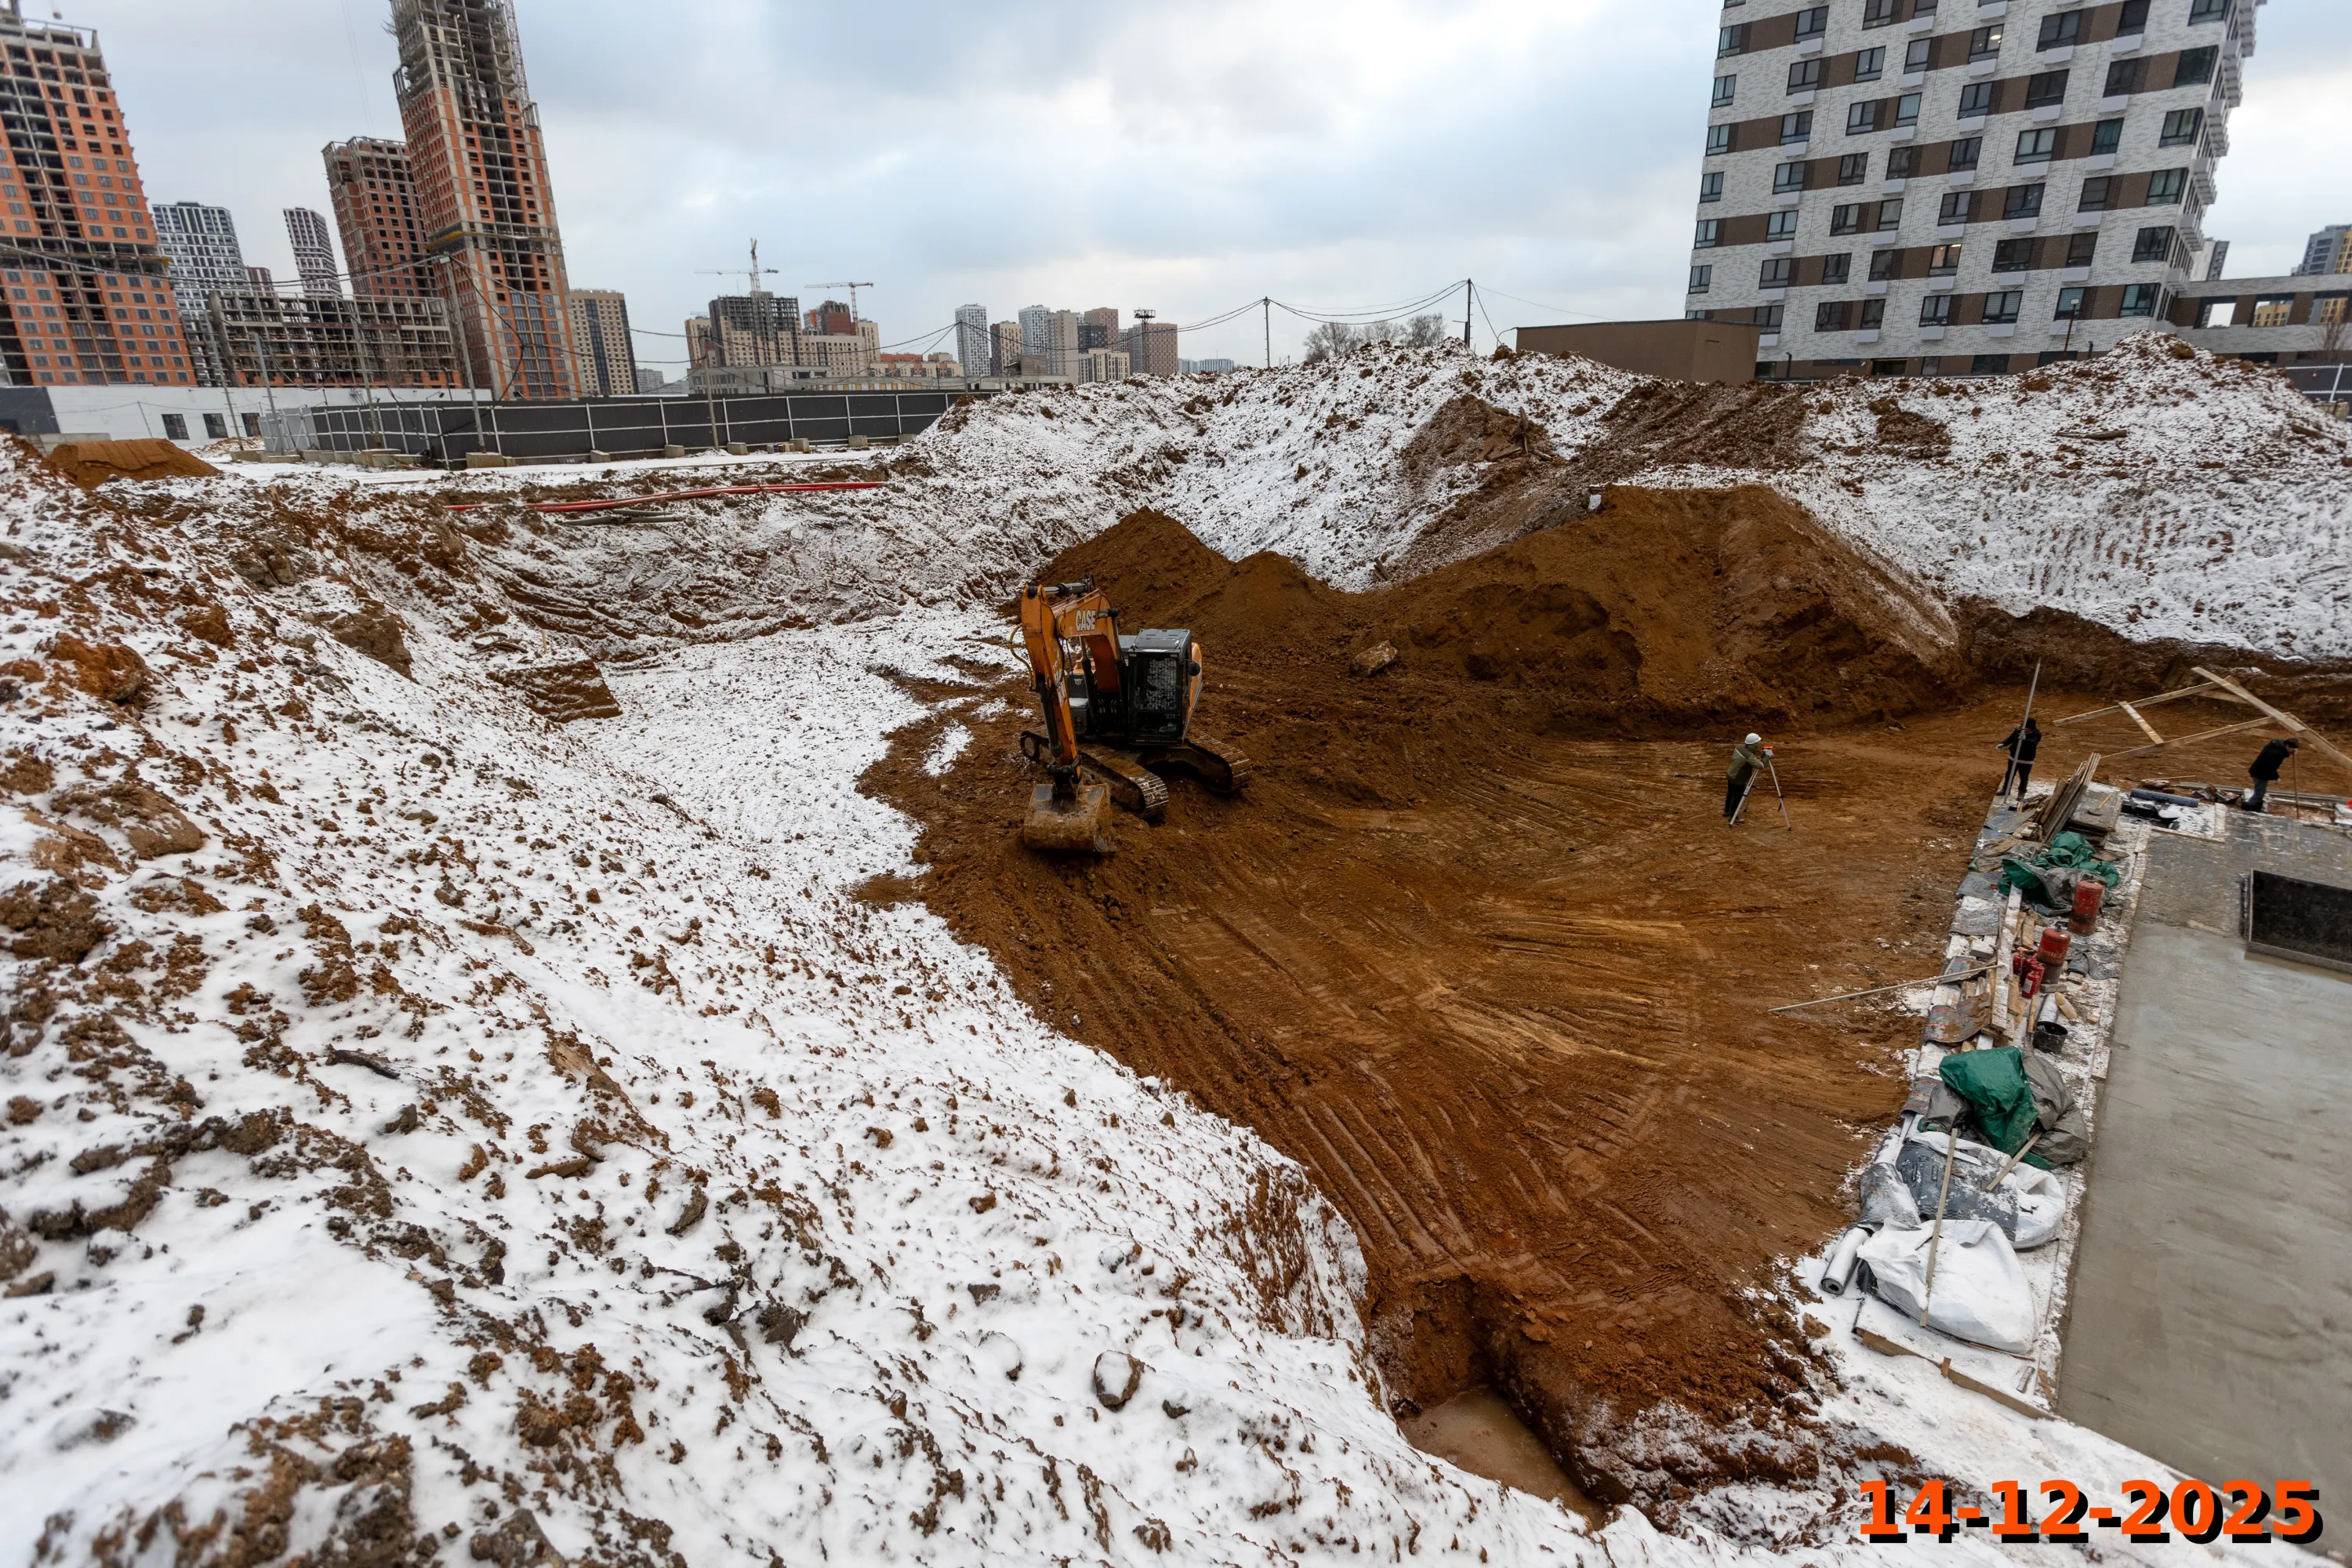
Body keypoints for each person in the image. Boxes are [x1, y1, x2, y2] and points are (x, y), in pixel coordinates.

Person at [1726, 732, 1770, 822]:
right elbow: (1760, 766)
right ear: (1753, 745)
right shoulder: (1749, 755)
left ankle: (1727, 811)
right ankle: (1733, 817)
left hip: (1730, 774)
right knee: (1737, 797)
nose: (1758, 745)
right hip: (1738, 779)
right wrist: (1766, 757)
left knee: (1730, 793)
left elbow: (1748, 757)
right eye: (1757, 744)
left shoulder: (1739, 747)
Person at [1994, 717, 2043, 798]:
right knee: (2009, 774)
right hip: (2014, 757)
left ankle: (2021, 792)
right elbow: (2011, 738)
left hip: (2026, 760)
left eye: (2027, 728)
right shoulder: (2019, 731)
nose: (2025, 730)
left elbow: (2034, 743)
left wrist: (2025, 739)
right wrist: (2003, 744)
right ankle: (2006, 789)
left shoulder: (2037, 734)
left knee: (2023, 776)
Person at [2245, 736, 2299, 811]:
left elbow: (2284, 752)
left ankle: (2253, 806)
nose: (2293, 751)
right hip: (2260, 773)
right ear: (2287, 746)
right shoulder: (2275, 753)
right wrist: (2276, 777)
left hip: (2260, 771)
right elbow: (2271, 767)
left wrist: (2293, 751)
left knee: (2260, 791)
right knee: (2260, 793)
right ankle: (2249, 808)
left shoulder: (2279, 746)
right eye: (2293, 749)